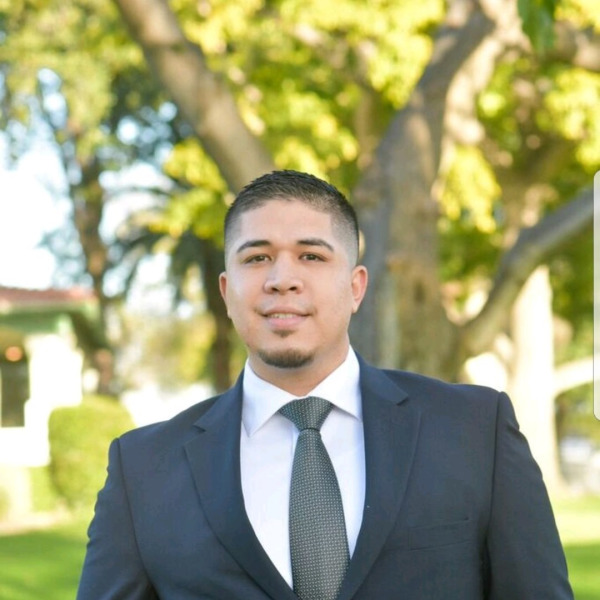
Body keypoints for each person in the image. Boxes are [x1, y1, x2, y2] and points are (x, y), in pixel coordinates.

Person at [77, 170, 573, 599]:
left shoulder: (475, 432)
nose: (282, 279)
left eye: (311, 256)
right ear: (227, 292)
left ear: (356, 287)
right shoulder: (143, 471)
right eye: (256, 258)